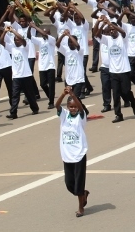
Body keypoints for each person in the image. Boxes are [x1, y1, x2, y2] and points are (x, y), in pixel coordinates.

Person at [55, 86, 89, 217]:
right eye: (71, 107)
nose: (73, 109)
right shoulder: (64, 116)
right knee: (69, 184)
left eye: (75, 107)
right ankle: (83, 194)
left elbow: (80, 108)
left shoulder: (81, 117)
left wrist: (73, 95)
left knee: (78, 184)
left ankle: (81, 208)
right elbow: (56, 105)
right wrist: (63, 94)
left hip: (79, 154)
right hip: (67, 155)